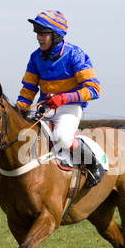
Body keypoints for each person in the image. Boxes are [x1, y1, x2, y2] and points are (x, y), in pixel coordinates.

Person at [16, 10, 104, 187]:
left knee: (62, 137)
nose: (38, 38)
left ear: (56, 35)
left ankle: (94, 164)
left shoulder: (75, 55)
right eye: (37, 34)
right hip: (47, 108)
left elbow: (94, 89)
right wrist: (18, 110)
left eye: (43, 34)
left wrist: (64, 98)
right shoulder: (35, 57)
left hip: (70, 107)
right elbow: (29, 89)